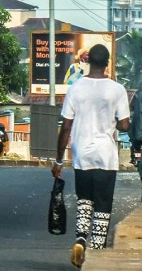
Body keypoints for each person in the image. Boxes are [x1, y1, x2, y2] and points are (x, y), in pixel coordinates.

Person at [52, 44, 130, 268]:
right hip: (106, 156)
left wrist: (58, 161)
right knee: (103, 205)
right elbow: (124, 125)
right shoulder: (117, 90)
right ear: (107, 64)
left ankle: (80, 239)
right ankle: (95, 251)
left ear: (87, 62)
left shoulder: (75, 89)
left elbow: (65, 127)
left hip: (82, 156)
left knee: (85, 201)